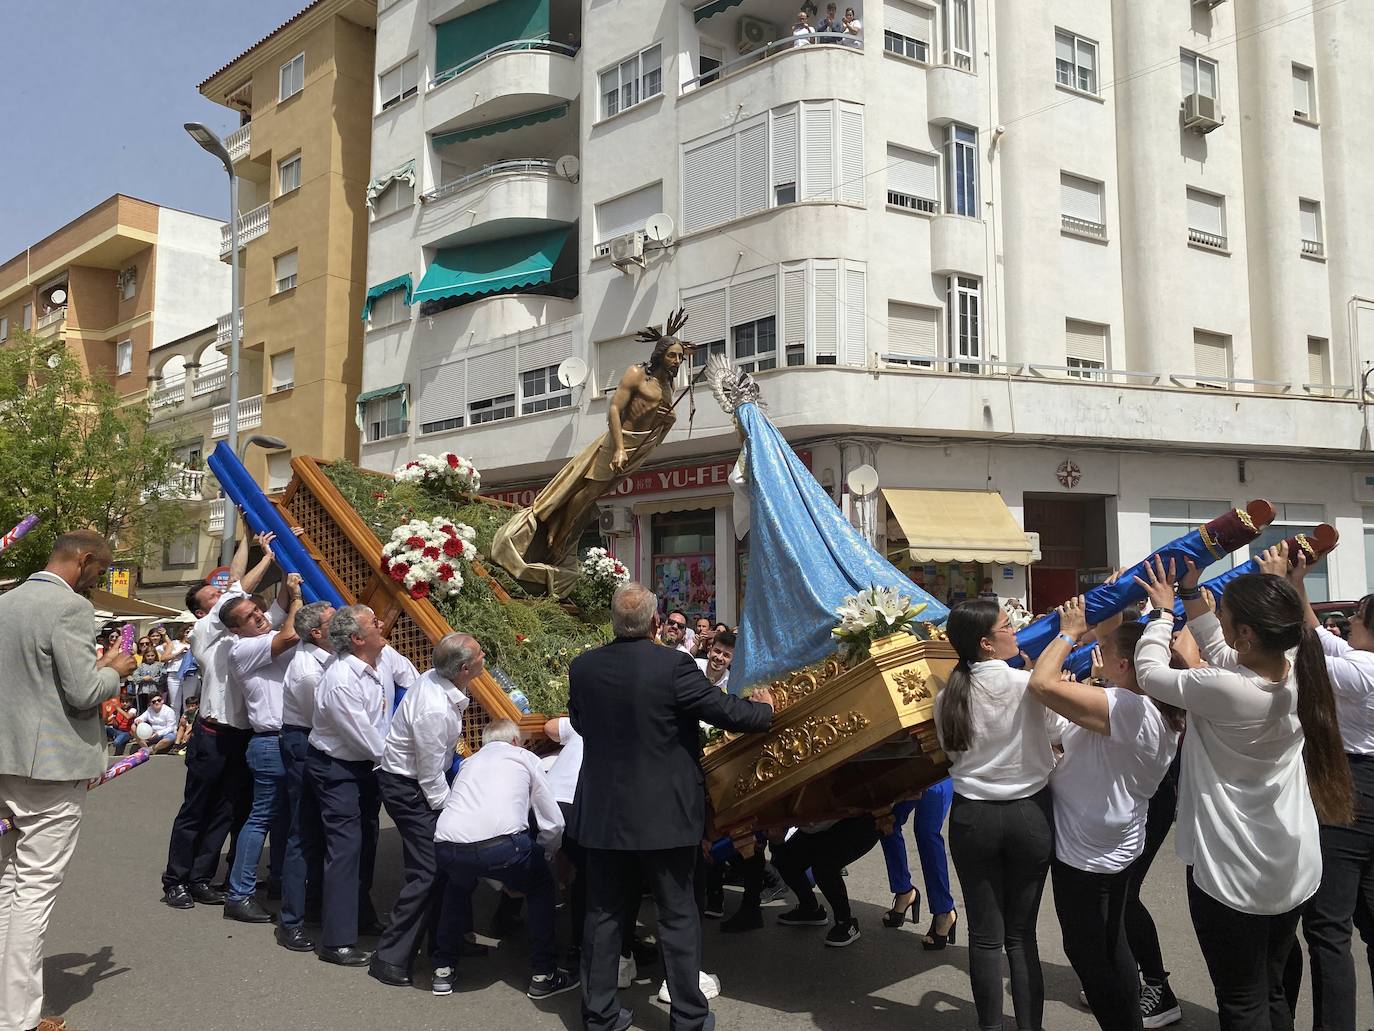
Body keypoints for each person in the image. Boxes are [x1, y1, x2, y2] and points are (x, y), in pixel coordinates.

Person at [1134, 555, 1353, 1029]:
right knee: (1272, 986)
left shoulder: (1227, 688)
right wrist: (1193, 595)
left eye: (1228, 616)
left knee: (1241, 999)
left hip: (1232, 873)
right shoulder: (1298, 667)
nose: (1224, 626)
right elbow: (1222, 648)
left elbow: (1149, 673)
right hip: (1291, 866)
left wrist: (1161, 614)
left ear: (1249, 633)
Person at [570, 581, 775, 1031]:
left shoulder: (583, 667)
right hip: (665, 814)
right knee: (678, 915)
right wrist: (765, 711)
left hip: (605, 813)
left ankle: (599, 1015)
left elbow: (581, 722)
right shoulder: (674, 666)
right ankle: (687, 1017)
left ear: (614, 624)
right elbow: (725, 711)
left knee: (603, 916)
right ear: (655, 623)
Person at [0, 529, 138, 1031]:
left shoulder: (6, 600)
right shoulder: (70, 608)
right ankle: (15, 1018)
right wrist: (114, 668)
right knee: (33, 890)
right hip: (50, 767)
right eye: (100, 570)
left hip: (6, 758)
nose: (98, 579)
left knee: (8, 883)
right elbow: (83, 692)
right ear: (84, 561)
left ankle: (10, 1007)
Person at [1028, 599, 1181, 1031]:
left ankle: (1122, 1021)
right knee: (1111, 943)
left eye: (1107, 650)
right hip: (1112, 844)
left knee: (1090, 953)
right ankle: (1125, 1014)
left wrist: (1069, 632)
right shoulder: (1148, 703)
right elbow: (1066, 726)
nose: (1099, 650)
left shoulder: (1129, 708)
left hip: (1089, 855)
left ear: (1126, 665)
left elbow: (1041, 685)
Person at [934, 598, 1068, 1031]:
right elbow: (1060, 730)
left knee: (985, 936)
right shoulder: (1026, 685)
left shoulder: (947, 695)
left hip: (973, 817)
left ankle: (990, 1025)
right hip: (1029, 813)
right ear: (987, 644)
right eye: (1008, 626)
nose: (1016, 631)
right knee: (1021, 935)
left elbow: (950, 752)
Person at [1270, 547, 1374, 1031]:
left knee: (1328, 927)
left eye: (1355, 615)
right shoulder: (1360, 659)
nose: (1347, 620)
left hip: (1352, 787)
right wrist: (1297, 581)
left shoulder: (1361, 673)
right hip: (1361, 781)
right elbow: (1314, 633)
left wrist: (1272, 593)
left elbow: (1303, 656)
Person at [160, 529, 279, 910]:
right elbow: (235, 589)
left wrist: (254, 542)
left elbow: (269, 608)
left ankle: (200, 877)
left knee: (226, 811)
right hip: (211, 735)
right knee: (196, 809)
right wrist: (263, 554)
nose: (222, 592)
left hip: (241, 737)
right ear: (202, 611)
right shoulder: (205, 636)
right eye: (211, 595)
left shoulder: (249, 636)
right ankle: (175, 880)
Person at [433, 719, 574, 1000]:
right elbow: (553, 824)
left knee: (456, 888)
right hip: (502, 847)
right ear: (514, 741)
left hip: (448, 845)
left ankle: (443, 968)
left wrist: (499, 881)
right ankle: (543, 973)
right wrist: (543, 856)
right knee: (541, 885)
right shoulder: (525, 758)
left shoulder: (469, 764)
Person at [370, 633, 480, 990]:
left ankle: (444, 941)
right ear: (464, 668)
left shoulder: (440, 683)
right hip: (410, 788)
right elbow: (431, 775)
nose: (484, 658)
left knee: (445, 867)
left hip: (415, 782)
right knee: (428, 870)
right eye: (480, 655)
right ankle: (390, 957)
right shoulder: (434, 706)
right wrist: (450, 814)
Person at [307, 604, 391, 966]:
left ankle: (361, 914)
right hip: (338, 768)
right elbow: (365, 737)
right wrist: (403, 765)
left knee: (367, 842)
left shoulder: (375, 663)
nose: (382, 624)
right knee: (345, 850)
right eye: (374, 623)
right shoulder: (342, 679)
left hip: (363, 768)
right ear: (357, 638)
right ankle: (337, 940)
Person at [222, 576, 303, 923]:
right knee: (261, 820)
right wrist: (298, 597)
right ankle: (239, 893)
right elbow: (292, 632)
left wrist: (288, 583)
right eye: (249, 616)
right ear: (235, 629)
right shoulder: (243, 648)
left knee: (285, 819)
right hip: (270, 741)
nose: (258, 616)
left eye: (257, 609)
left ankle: (281, 881)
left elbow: (279, 610)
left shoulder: (262, 632)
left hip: (286, 738)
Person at [276, 601, 334, 953]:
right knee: (302, 832)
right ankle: (291, 919)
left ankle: (312, 905)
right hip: (305, 742)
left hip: (311, 741)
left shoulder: (324, 660)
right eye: (332, 621)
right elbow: (325, 717)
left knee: (317, 831)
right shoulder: (309, 671)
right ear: (316, 633)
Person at [772, 816, 882, 946]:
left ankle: (846, 922)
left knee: (824, 867)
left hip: (855, 821)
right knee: (784, 859)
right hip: (816, 824)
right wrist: (777, 840)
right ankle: (810, 909)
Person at [879, 778, 957, 948]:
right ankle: (904, 891)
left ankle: (944, 910)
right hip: (906, 763)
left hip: (939, 766)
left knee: (926, 831)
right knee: (885, 819)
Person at [128, 642, 165, 711]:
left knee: (155, 708)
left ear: (155, 656)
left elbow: (163, 677)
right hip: (143, 691)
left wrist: (153, 679)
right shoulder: (141, 666)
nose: (150, 657)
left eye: (152, 655)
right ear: (145, 656)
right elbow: (135, 677)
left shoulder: (159, 665)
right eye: (148, 656)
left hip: (155, 691)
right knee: (143, 709)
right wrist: (143, 678)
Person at [103, 691, 137, 755]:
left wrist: (118, 708)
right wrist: (107, 712)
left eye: (126, 702)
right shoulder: (117, 711)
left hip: (127, 733)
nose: (124, 704)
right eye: (123, 702)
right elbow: (106, 721)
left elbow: (128, 717)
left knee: (116, 743)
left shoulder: (132, 710)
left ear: (130, 703)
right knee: (105, 728)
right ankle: (114, 738)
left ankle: (123, 739)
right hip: (117, 731)